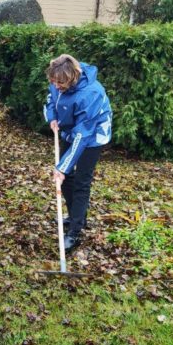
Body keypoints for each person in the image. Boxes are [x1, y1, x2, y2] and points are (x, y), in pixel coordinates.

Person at [43, 54, 112, 250]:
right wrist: (52, 117)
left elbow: (83, 133)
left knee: (81, 180)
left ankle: (74, 233)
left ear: (72, 78)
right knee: (65, 178)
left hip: (92, 134)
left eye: (60, 84)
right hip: (69, 130)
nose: (56, 86)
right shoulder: (58, 80)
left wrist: (62, 167)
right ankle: (77, 217)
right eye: (54, 82)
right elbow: (51, 99)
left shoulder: (91, 93)